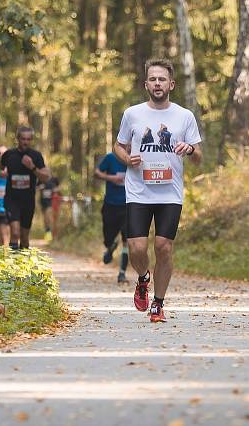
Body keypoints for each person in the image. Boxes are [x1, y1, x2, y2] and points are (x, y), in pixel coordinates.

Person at [114, 58, 202, 322]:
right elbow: (118, 146)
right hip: (139, 191)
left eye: (162, 79)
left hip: (170, 193)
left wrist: (191, 149)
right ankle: (143, 278)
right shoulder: (132, 114)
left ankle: (158, 303)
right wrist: (127, 159)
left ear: (171, 84)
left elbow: (199, 156)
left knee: (163, 247)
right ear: (146, 84)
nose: (157, 83)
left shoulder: (184, 116)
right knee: (137, 248)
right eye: (152, 79)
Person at [0, 127, 51, 250]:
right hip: (12, 200)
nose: (25, 142)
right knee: (15, 232)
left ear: (31, 140)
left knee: (24, 237)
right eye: (23, 139)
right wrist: (1, 173)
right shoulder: (9, 154)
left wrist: (32, 167)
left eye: (28, 139)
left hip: (28, 201)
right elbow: (0, 168)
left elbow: (45, 178)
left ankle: (24, 264)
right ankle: (13, 265)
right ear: (18, 139)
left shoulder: (36, 156)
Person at [94, 151, 129, 283]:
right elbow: (97, 172)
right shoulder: (110, 158)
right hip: (111, 205)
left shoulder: (137, 157)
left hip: (128, 205)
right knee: (108, 238)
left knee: (128, 238)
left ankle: (122, 273)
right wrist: (111, 178)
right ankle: (111, 246)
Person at [38, 175, 61, 241]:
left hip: (52, 202)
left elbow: (59, 188)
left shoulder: (54, 179)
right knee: (45, 219)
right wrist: (40, 187)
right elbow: (36, 187)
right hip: (43, 202)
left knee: (51, 217)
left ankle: (54, 235)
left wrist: (55, 190)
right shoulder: (41, 179)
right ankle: (48, 233)